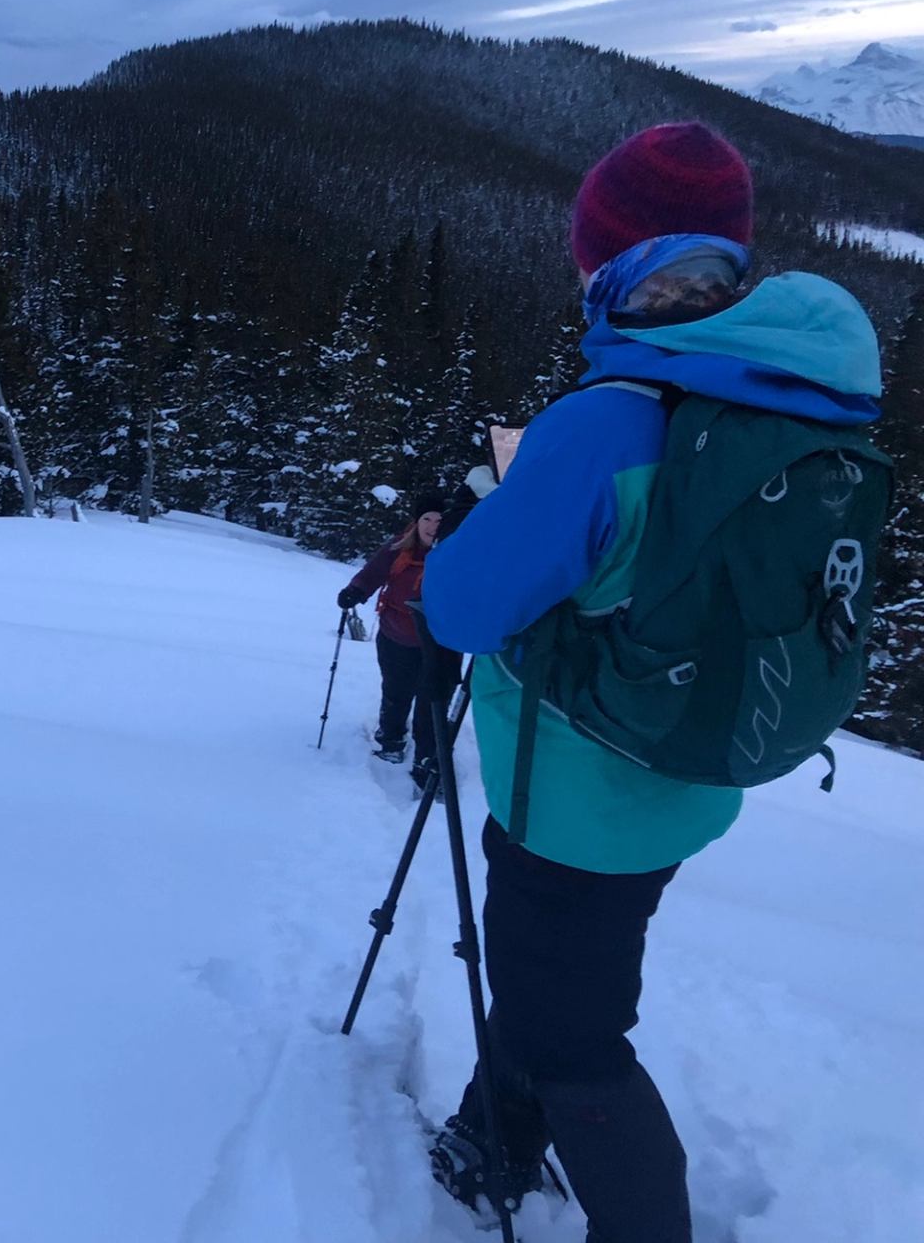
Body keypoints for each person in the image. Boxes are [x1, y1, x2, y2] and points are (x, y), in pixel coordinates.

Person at [422, 123, 883, 1242]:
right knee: (566, 983)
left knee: (576, 1033)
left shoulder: (604, 423)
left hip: (573, 793)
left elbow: (464, 608)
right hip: (689, 771)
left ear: (611, 264)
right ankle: (499, 1134)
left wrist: (499, 509)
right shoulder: (786, 396)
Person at [336, 492, 446, 772]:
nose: (432, 525)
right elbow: (373, 573)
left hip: (437, 641)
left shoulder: (454, 552)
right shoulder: (399, 548)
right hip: (395, 634)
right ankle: (391, 742)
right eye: (427, 518)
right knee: (396, 691)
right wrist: (355, 591)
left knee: (430, 699)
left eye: (439, 520)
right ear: (417, 521)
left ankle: (427, 755)